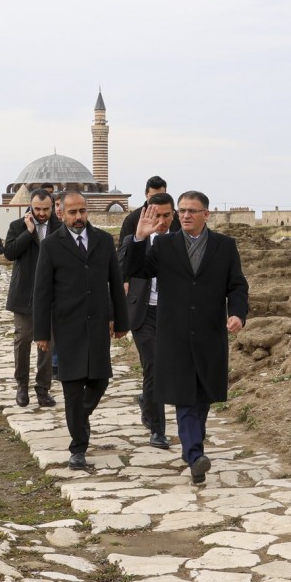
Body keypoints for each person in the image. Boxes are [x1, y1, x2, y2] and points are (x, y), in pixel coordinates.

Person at [125, 191, 249, 484]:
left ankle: (193, 447)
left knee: (202, 398)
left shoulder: (224, 246)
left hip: (209, 333)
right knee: (185, 398)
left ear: (207, 214)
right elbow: (136, 271)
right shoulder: (165, 245)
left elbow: (237, 285)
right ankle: (195, 455)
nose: (185, 215)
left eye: (192, 210)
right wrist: (139, 240)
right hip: (174, 334)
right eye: (181, 210)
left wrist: (238, 314)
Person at [34, 191, 129, 470]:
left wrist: (121, 321)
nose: (78, 217)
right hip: (67, 327)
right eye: (72, 212)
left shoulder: (102, 241)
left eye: (82, 212)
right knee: (73, 388)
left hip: (98, 324)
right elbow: (42, 292)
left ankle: (78, 417)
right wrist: (42, 333)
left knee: (100, 381)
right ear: (61, 213)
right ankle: (78, 448)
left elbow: (115, 281)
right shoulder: (51, 245)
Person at [120, 192, 177, 449]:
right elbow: (123, 269)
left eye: (166, 215)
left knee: (166, 368)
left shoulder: (181, 240)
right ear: (147, 212)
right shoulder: (137, 238)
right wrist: (140, 238)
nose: (161, 221)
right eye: (157, 215)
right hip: (144, 313)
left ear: (173, 215)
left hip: (172, 313)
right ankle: (158, 430)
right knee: (154, 366)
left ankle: (147, 399)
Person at [4, 188, 62, 407]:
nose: (41, 213)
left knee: (47, 344)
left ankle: (42, 388)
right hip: (24, 294)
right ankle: (22, 385)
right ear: (30, 205)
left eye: (45, 209)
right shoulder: (17, 226)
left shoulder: (59, 227)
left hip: (51, 296)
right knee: (22, 340)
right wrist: (28, 233)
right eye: (37, 209)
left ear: (52, 206)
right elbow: (9, 253)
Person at [117, 176, 170, 248]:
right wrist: (138, 238)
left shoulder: (176, 218)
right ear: (146, 194)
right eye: (153, 196)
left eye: (161, 196)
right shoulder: (132, 219)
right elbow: (122, 252)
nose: (157, 200)